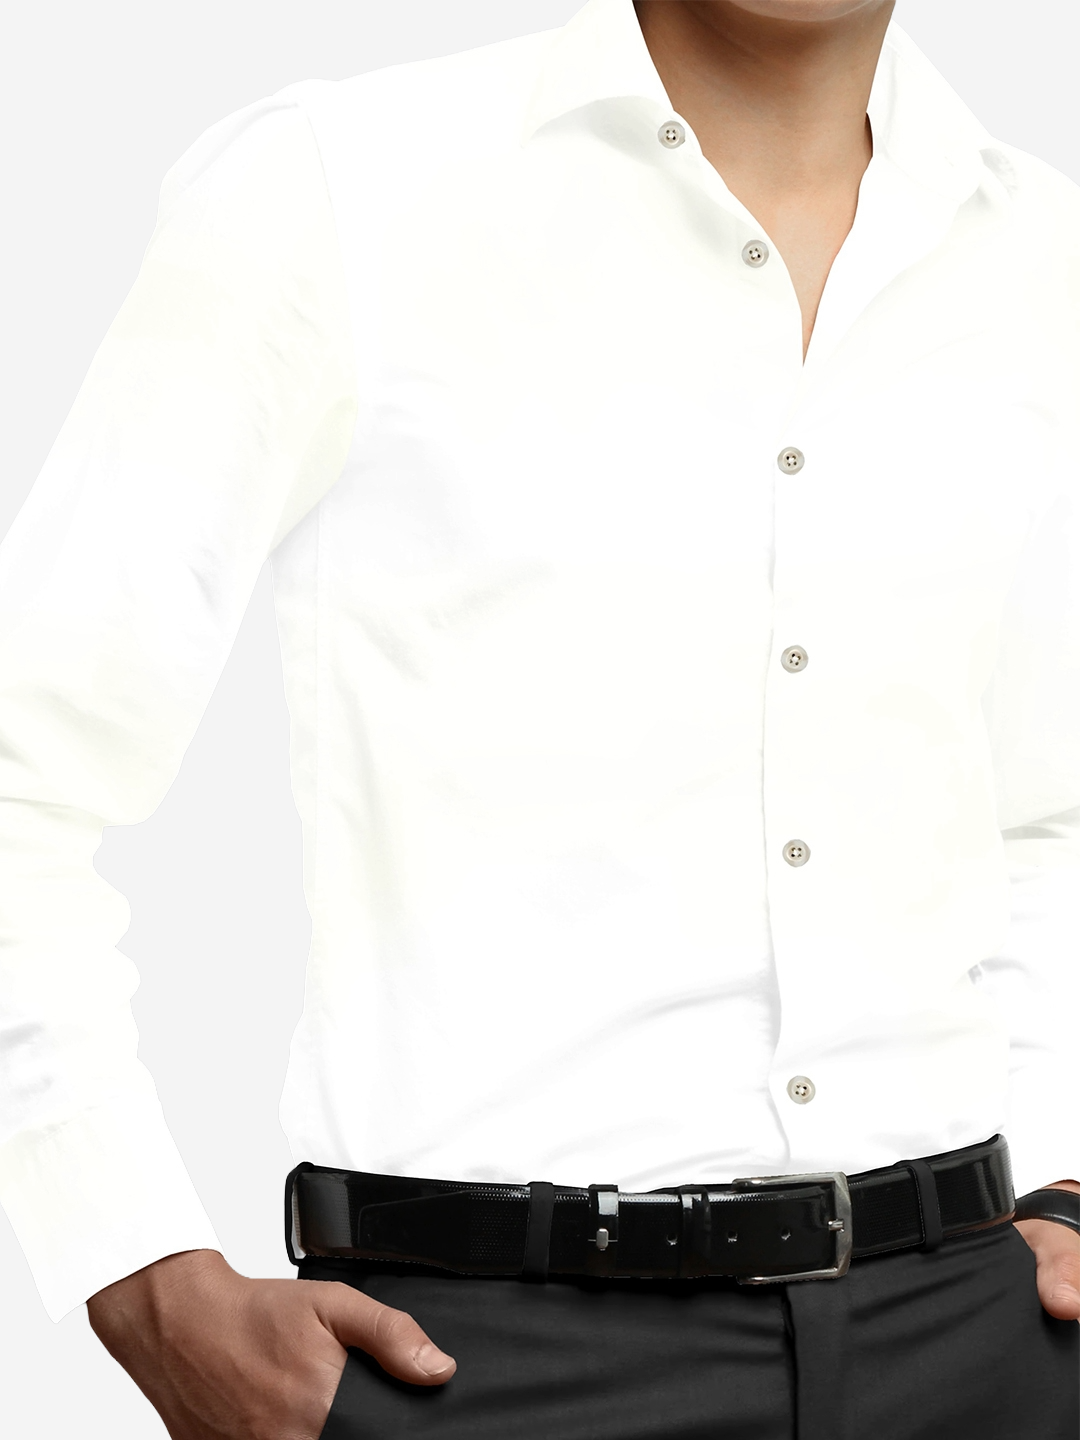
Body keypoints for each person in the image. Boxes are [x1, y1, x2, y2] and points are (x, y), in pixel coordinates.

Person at [0, 0, 1077, 1435]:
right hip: (486, 1365)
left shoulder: (1037, 254)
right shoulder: (339, 194)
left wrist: (1062, 1175)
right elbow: (23, 771)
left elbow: (1042, 811)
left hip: (979, 1341)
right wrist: (136, 1268)